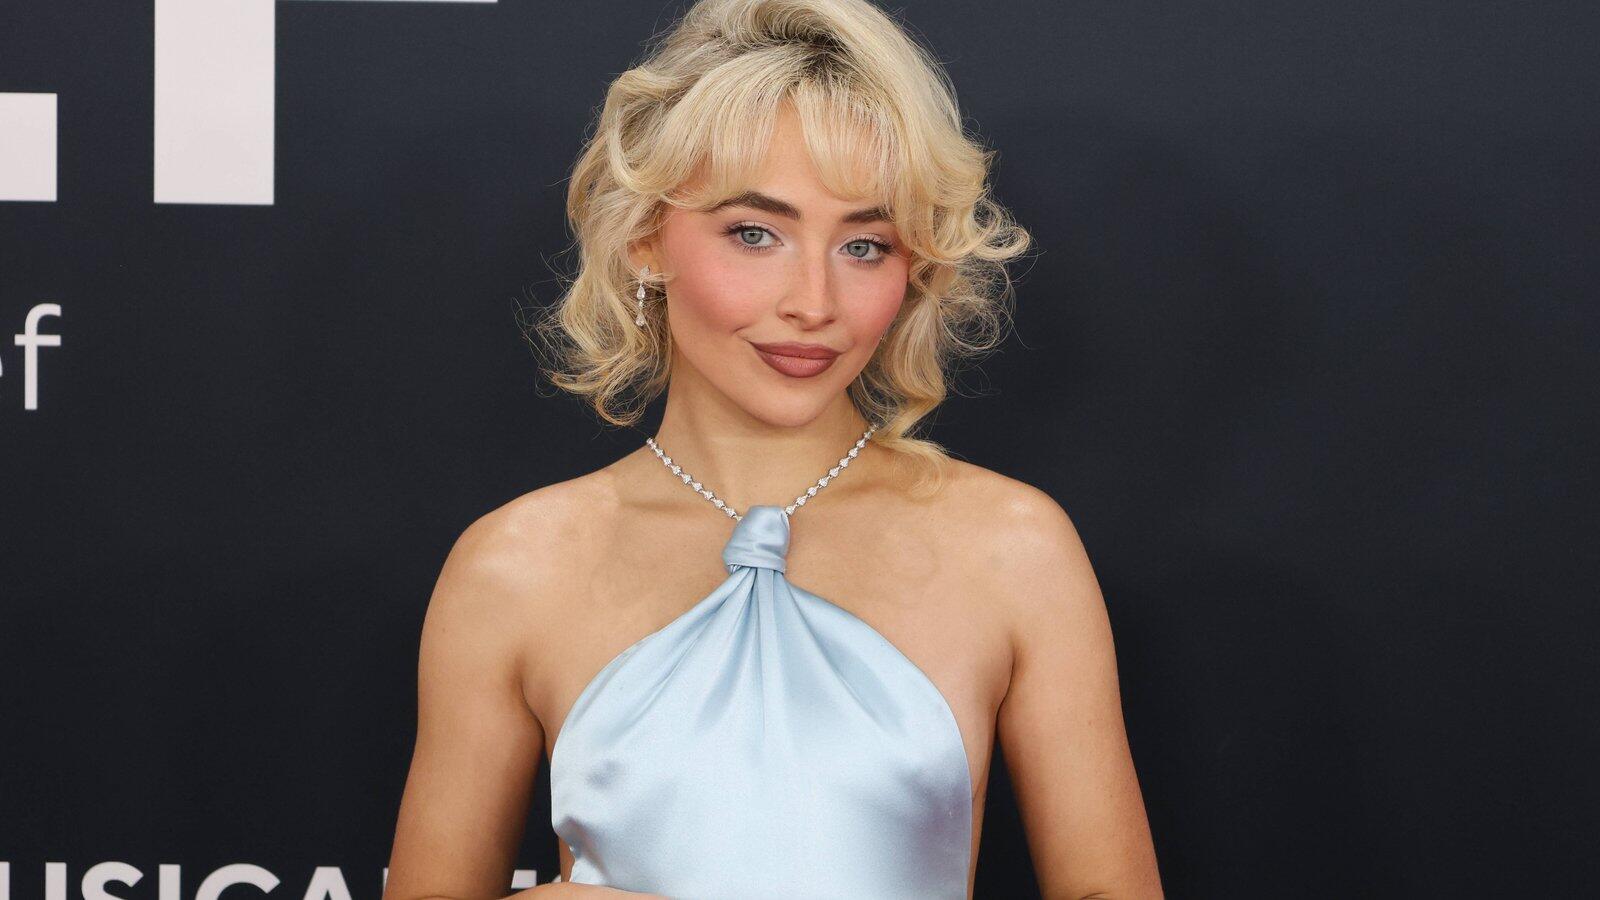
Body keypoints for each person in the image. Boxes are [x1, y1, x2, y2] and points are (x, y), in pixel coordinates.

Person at [382, 0, 1162, 897]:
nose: (813, 303)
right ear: (644, 238)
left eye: (864, 245)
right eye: (756, 234)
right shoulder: (513, 567)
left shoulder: (1013, 548)